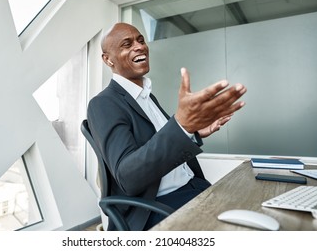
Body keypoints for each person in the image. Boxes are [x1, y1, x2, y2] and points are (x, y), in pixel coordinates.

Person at [87, 22, 247, 231]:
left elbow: (162, 143)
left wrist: (193, 131)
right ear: (108, 59)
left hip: (194, 186)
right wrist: (182, 125)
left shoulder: (146, 96)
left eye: (141, 40)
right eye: (127, 44)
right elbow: (128, 177)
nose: (139, 46)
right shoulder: (104, 103)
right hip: (159, 206)